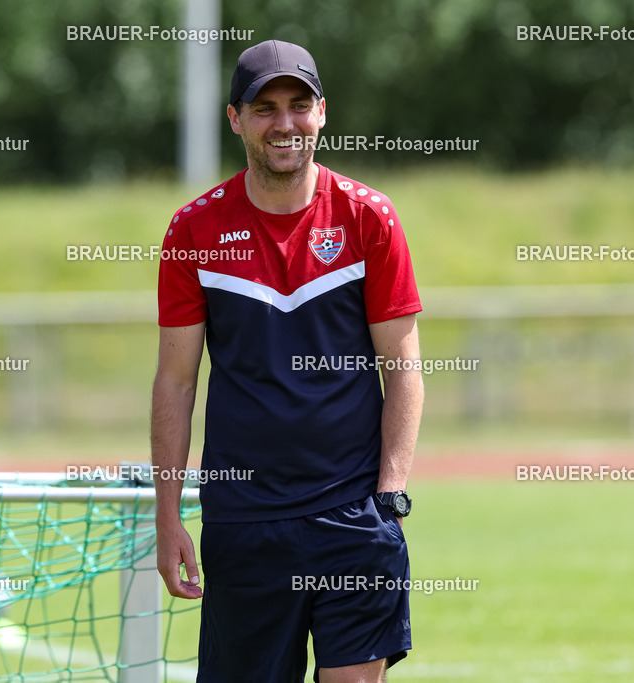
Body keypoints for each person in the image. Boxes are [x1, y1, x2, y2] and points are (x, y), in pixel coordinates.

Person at [152, 39, 424, 683]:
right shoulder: (194, 231)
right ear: (235, 119)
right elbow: (176, 382)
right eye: (264, 108)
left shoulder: (368, 217)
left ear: (322, 112)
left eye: (299, 105)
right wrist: (168, 516)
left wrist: (390, 498)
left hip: (353, 514)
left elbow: (404, 370)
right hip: (243, 519)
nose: (285, 123)